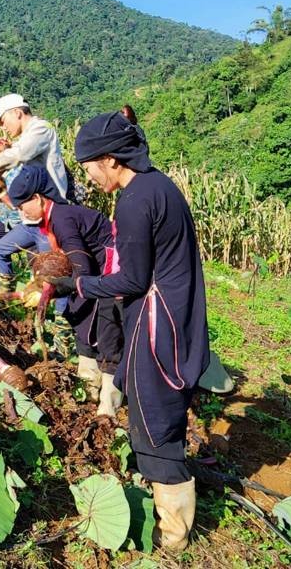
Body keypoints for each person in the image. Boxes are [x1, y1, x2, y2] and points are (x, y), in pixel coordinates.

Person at [43, 112, 208, 551]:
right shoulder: (161, 185)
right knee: (146, 398)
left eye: (90, 166)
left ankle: (174, 534)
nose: (90, 177)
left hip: (160, 319)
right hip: (177, 311)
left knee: (155, 421)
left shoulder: (135, 200)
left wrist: (76, 283)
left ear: (112, 160)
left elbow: (132, 280)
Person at [8, 165, 124, 416]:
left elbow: (81, 270)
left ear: (37, 198)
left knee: (107, 333)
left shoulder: (62, 220)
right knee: (79, 317)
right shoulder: (53, 218)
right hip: (97, 274)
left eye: (21, 205)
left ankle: (108, 406)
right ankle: (88, 388)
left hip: (112, 274)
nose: (19, 212)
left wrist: (50, 293)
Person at [0, 94, 69, 292]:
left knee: (48, 270)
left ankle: (58, 317)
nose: (3, 127)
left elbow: (19, 153)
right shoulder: (26, 136)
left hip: (49, 217)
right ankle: (5, 300)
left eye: (3, 121)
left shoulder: (42, 129)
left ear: (17, 113)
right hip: (31, 220)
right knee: (0, 249)